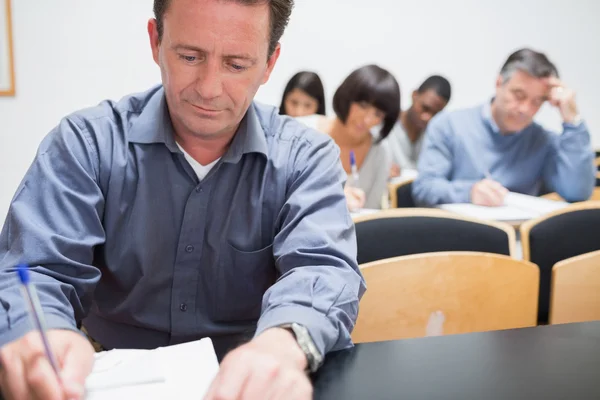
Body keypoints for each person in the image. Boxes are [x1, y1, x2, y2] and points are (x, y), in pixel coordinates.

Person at [0, 1, 366, 399]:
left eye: (237, 65)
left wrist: (281, 346)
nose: (209, 88)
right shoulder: (85, 144)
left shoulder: (304, 160)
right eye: (190, 56)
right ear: (156, 41)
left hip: (251, 377)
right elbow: (37, 272)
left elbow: (322, 268)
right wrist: (43, 333)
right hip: (106, 373)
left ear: (269, 63)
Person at [412, 48, 595, 207]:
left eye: (537, 101)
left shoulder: (542, 140)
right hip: (459, 238)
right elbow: (424, 188)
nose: (525, 109)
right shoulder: (449, 125)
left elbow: (577, 192)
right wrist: (469, 192)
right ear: (499, 84)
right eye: (519, 95)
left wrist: (572, 119)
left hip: (519, 240)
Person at [297, 64, 400, 210]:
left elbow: (372, 213)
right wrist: (333, 198)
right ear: (347, 96)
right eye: (363, 105)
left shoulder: (379, 151)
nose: (367, 120)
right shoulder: (302, 131)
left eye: (378, 114)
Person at [385, 75, 451, 177]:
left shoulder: (434, 137)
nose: (427, 117)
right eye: (425, 108)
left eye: (435, 113)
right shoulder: (385, 124)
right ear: (414, 95)